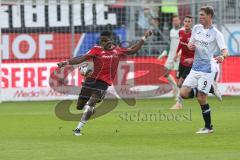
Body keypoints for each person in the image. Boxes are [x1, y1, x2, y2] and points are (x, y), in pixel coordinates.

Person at [57, 30, 152, 136]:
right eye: (101, 40)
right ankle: (89, 110)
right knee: (79, 106)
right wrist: (66, 62)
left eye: (105, 40)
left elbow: (133, 50)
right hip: (90, 81)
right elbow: (81, 58)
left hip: (103, 83)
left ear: (110, 40)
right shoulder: (96, 50)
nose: (103, 42)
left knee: (91, 103)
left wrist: (144, 37)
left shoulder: (118, 51)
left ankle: (78, 129)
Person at [180, 6, 228, 134]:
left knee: (201, 98)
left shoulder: (217, 33)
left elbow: (224, 50)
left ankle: (208, 127)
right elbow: (191, 44)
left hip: (207, 69)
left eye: (202, 15)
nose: (200, 17)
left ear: (209, 16)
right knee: (183, 93)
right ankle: (211, 88)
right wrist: (190, 46)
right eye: (200, 15)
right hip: (195, 67)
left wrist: (222, 56)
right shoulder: (196, 28)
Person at [170, 15, 195, 109]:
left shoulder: (194, 35)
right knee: (179, 83)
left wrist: (192, 59)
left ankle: (179, 103)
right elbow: (180, 44)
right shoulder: (180, 32)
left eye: (189, 21)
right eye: (186, 21)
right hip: (182, 61)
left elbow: (197, 50)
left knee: (180, 83)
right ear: (183, 22)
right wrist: (176, 54)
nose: (187, 23)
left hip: (190, 63)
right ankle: (181, 100)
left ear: (191, 23)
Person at [158, 15, 181, 98]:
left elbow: (183, 45)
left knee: (177, 75)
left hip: (178, 56)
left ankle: (179, 94)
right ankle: (175, 87)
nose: (175, 22)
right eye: (174, 20)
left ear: (179, 21)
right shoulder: (171, 31)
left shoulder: (182, 31)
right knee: (165, 72)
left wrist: (178, 54)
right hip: (171, 55)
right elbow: (170, 44)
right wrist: (164, 53)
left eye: (177, 20)